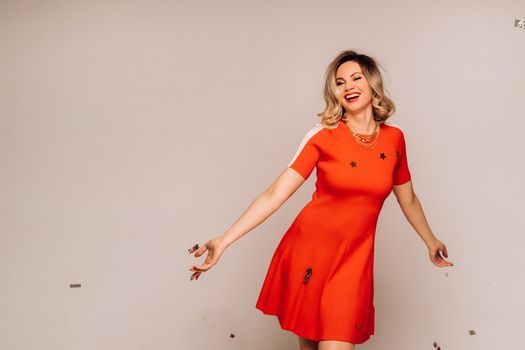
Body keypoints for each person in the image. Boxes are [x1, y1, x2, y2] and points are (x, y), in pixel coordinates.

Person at [188, 49, 453, 350]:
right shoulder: (322, 136)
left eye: (356, 78)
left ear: (372, 84)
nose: (348, 87)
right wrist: (223, 240)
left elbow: (409, 199)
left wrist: (430, 240)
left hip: (353, 263)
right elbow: (274, 195)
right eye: (340, 83)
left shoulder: (395, 139)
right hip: (310, 255)